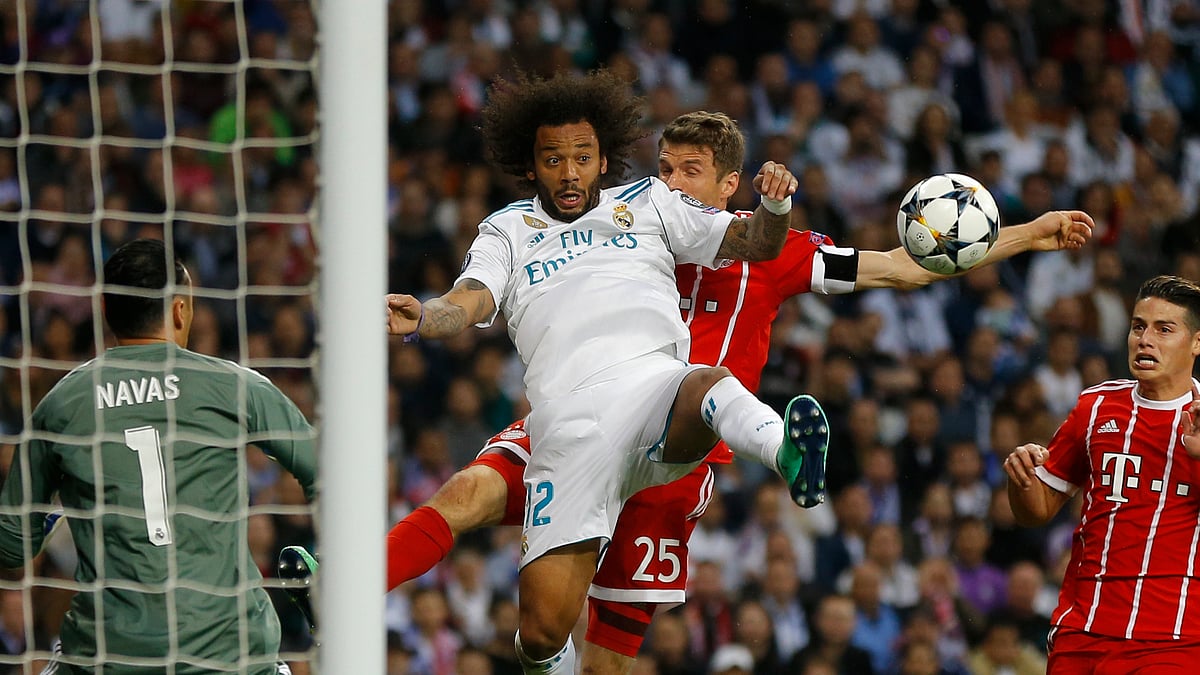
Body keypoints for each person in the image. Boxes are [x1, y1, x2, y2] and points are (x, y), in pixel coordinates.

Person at [283, 103, 1093, 672]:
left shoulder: (772, 251)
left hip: (677, 457)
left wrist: (1029, 233)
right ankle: (329, 594)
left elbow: (900, 266)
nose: (671, 181)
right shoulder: (633, 223)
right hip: (580, 417)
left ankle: (777, 449)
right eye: (664, 168)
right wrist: (439, 312)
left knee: (603, 659)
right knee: (465, 498)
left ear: (729, 184)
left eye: (691, 172)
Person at [384, 68, 824, 675]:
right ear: (530, 165)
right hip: (567, 430)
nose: (569, 172)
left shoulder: (649, 203)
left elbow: (756, 242)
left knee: (705, 381)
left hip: (651, 391)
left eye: (582, 157)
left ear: (603, 157)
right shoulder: (508, 229)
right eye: (553, 159)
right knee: (540, 634)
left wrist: (774, 204)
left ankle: (788, 455)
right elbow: (472, 299)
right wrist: (423, 317)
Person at [0, 239, 317, 674]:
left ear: (106, 313)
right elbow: (328, 473)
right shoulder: (234, 386)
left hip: (110, 657)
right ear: (180, 311)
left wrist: (53, 517)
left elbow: (12, 547)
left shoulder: (61, 405)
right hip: (231, 656)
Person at [1005, 274, 1200, 673]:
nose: (1145, 339)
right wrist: (1021, 479)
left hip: (1173, 643)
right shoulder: (1095, 407)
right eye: (1138, 326)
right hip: (1082, 632)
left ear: (1197, 342)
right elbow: (1036, 510)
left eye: (1165, 329)